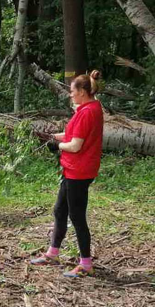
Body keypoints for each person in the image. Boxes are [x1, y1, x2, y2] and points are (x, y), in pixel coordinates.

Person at [30, 71, 105, 278]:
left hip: (79, 171)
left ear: (82, 92)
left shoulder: (87, 112)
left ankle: (86, 264)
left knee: (77, 216)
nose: (70, 94)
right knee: (60, 210)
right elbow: (72, 135)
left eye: (72, 91)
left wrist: (57, 145)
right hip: (73, 169)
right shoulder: (90, 108)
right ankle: (52, 254)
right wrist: (50, 136)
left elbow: (75, 145)